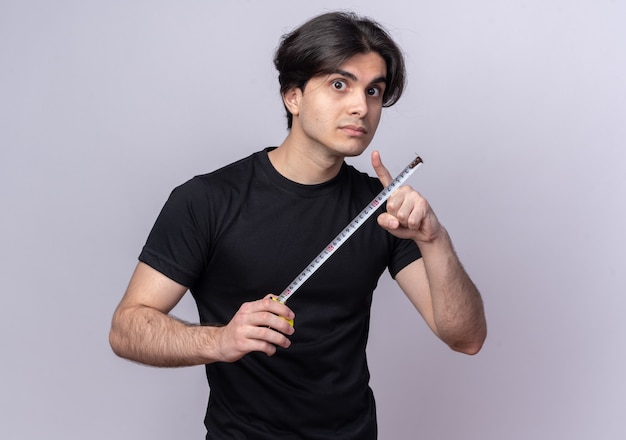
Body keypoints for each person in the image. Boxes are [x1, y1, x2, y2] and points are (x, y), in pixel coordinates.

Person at [109, 10, 487, 439]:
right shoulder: (207, 200)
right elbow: (127, 328)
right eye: (339, 84)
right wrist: (219, 341)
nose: (360, 106)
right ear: (294, 97)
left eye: (374, 90)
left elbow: (465, 337)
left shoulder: (384, 210)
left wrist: (434, 240)